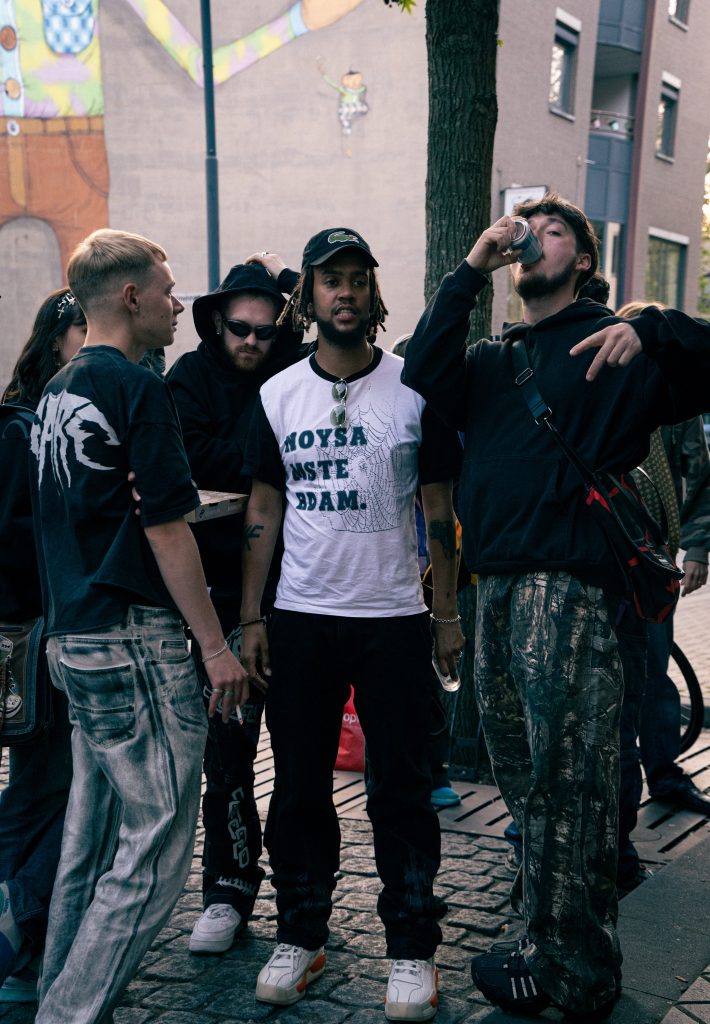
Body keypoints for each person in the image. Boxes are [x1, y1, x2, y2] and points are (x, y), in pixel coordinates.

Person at [402, 192, 710, 1018]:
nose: (532, 236)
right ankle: (546, 941)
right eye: (524, 227)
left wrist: (654, 329)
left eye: (553, 229)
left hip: (566, 587)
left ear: (582, 257)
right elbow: (422, 370)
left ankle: (580, 973)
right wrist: (473, 266)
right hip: (495, 583)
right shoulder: (492, 360)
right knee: (528, 784)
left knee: (572, 780)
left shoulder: (611, 340)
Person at [239, 227, 463, 1020]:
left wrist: (446, 616)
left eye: (357, 279)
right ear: (308, 294)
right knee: (298, 787)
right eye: (330, 279)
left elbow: (441, 514)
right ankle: (301, 934)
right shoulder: (278, 394)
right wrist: (250, 616)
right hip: (301, 617)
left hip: (392, 618)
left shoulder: (413, 388)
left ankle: (411, 947)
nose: (345, 292)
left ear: (373, 293)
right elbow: (264, 508)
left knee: (401, 789)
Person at [28, 228, 248, 1024]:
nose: (177, 304)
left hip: (74, 636)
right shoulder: (138, 387)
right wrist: (215, 646)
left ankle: (60, 997)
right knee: (154, 850)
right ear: (130, 297)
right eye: (166, 289)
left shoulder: (57, 391)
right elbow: (166, 526)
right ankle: (68, 1016)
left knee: (91, 843)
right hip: (132, 639)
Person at [166, 261, 301, 954]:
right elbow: (189, 456)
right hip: (220, 598)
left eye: (265, 331)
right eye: (240, 328)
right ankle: (227, 888)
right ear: (217, 323)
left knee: (302, 757)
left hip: (299, 594)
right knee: (228, 754)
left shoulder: (298, 372)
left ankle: (304, 898)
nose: (251, 341)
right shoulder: (189, 378)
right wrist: (265, 458)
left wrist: (250, 461)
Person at [0, 289, 86, 1004]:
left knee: (47, 788)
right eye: (87, 327)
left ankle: (24, 951)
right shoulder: (23, 430)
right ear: (57, 338)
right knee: (48, 790)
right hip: (36, 638)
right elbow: (16, 543)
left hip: (43, 634)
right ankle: (18, 921)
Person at [618, 303, 710, 820]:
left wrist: (696, 547)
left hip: (655, 559)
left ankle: (665, 774)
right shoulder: (603, 385)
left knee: (655, 668)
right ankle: (618, 784)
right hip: (604, 553)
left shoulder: (674, 394)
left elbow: (700, 473)